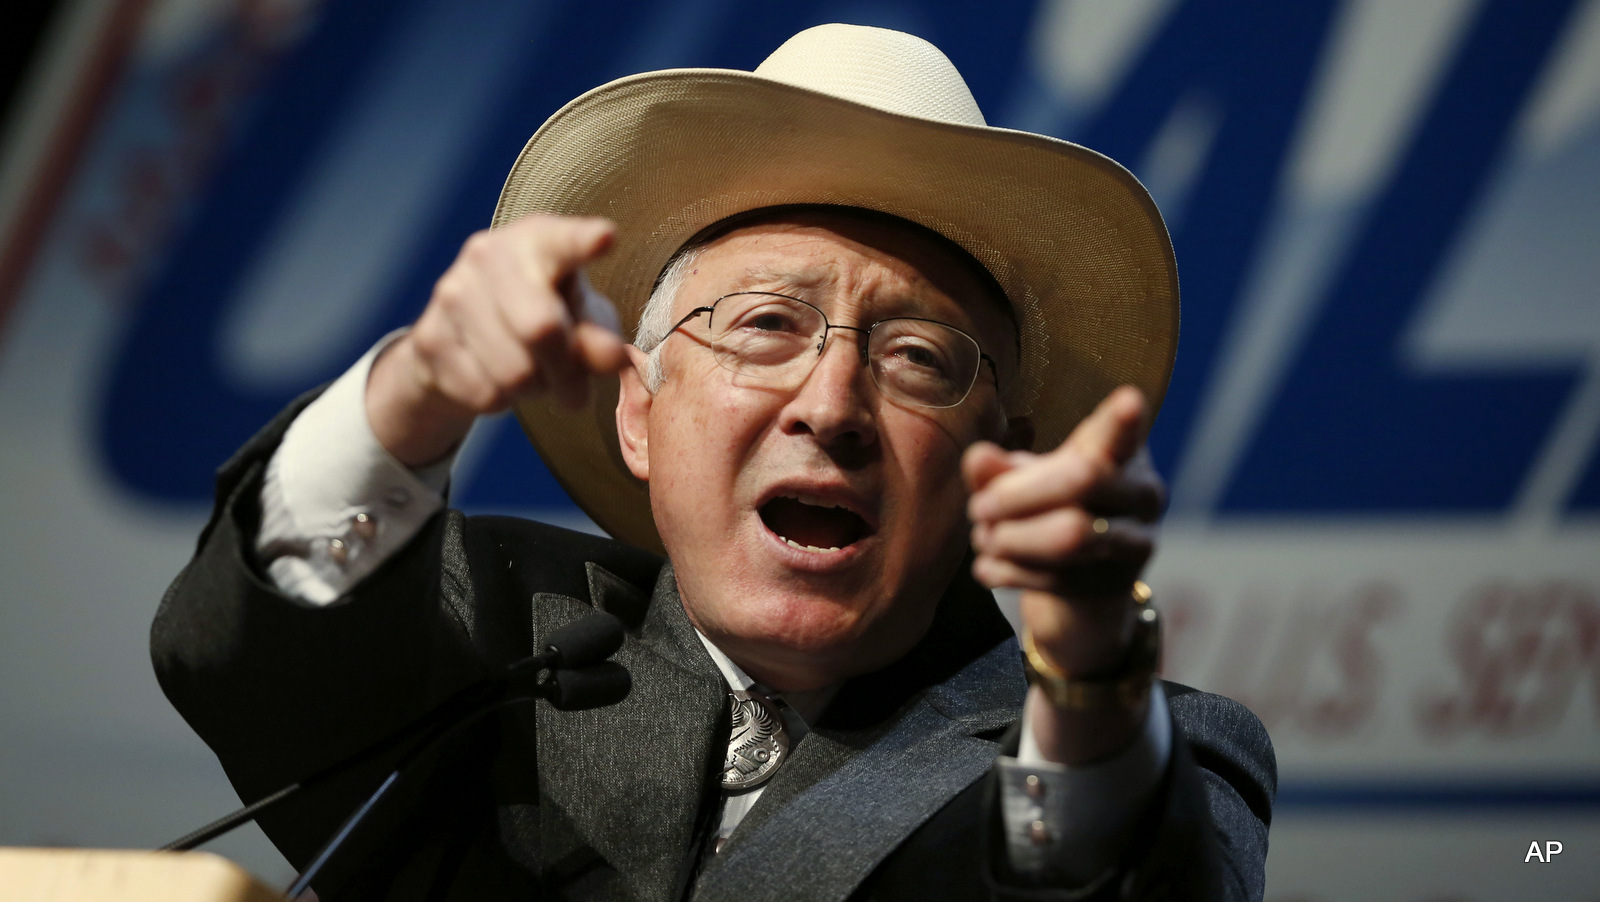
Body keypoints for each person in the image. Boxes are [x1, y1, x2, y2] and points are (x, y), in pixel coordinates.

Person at [152, 24, 1274, 901]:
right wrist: (414, 390)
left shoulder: (1136, 737)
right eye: (766, 326)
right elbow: (248, 644)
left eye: (919, 357)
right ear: (638, 413)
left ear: (996, 464)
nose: (831, 402)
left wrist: (1086, 667)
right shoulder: (496, 636)